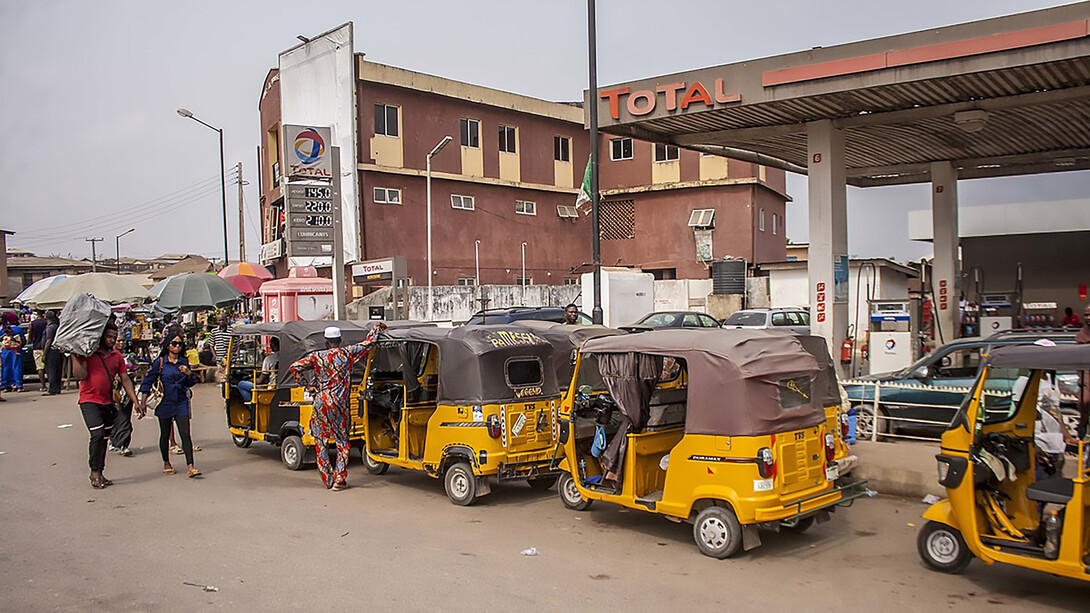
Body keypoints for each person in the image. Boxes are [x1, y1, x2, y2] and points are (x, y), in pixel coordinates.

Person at [288, 325, 384, 491]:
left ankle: (327, 479)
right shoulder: (347, 353)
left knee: (321, 441)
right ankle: (340, 478)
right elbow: (369, 343)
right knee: (342, 442)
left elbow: (294, 368)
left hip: (321, 403)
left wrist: (308, 386)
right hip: (340, 405)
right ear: (339, 341)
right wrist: (376, 328)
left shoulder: (316, 357)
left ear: (326, 343)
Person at [72, 322, 141, 489]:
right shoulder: (89, 353)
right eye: (109, 337)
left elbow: (125, 379)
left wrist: (135, 401)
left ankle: (99, 471)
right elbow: (80, 375)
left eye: (114, 338)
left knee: (104, 438)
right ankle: (94, 472)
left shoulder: (117, 357)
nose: (111, 340)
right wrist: (73, 355)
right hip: (89, 401)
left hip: (108, 402)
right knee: (97, 434)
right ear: (101, 337)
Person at [138, 333, 200, 478]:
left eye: (179, 344)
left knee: (185, 433)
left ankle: (191, 466)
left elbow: (191, 382)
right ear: (167, 345)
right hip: (165, 402)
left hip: (181, 401)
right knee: (165, 434)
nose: (177, 346)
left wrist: (188, 373)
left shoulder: (183, 361)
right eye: (174, 343)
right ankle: (166, 462)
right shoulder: (160, 362)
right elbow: (148, 381)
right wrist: (142, 402)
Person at [238, 337, 279, 403]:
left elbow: (260, 380)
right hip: (283, 388)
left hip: (271, 389)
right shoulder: (288, 358)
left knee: (241, 384)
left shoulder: (269, 359)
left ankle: (252, 406)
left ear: (273, 345)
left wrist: (251, 380)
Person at [1, 314, 26, 392]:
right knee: (17, 367)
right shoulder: (18, 329)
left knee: (6, 367)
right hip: (16, 350)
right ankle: (18, 385)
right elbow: (23, 340)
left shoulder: (2, 330)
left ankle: (6, 385)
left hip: (5, 351)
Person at [1077, 305, 1090, 439]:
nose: (1088, 318)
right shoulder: (1081, 335)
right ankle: (1083, 423)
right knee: (1084, 401)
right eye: (1086, 315)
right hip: (1086, 375)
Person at [43, 311, 63, 395]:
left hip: (51, 351)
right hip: (57, 350)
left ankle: (52, 389)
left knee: (51, 370)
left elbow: (48, 340)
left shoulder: (50, 328)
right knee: (57, 370)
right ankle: (57, 388)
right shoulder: (57, 326)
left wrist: (44, 353)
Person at [29, 311, 48, 392]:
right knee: (49, 367)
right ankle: (52, 384)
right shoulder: (47, 322)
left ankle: (43, 386)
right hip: (47, 347)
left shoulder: (32, 323)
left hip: (37, 347)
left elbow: (30, 336)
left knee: (40, 368)